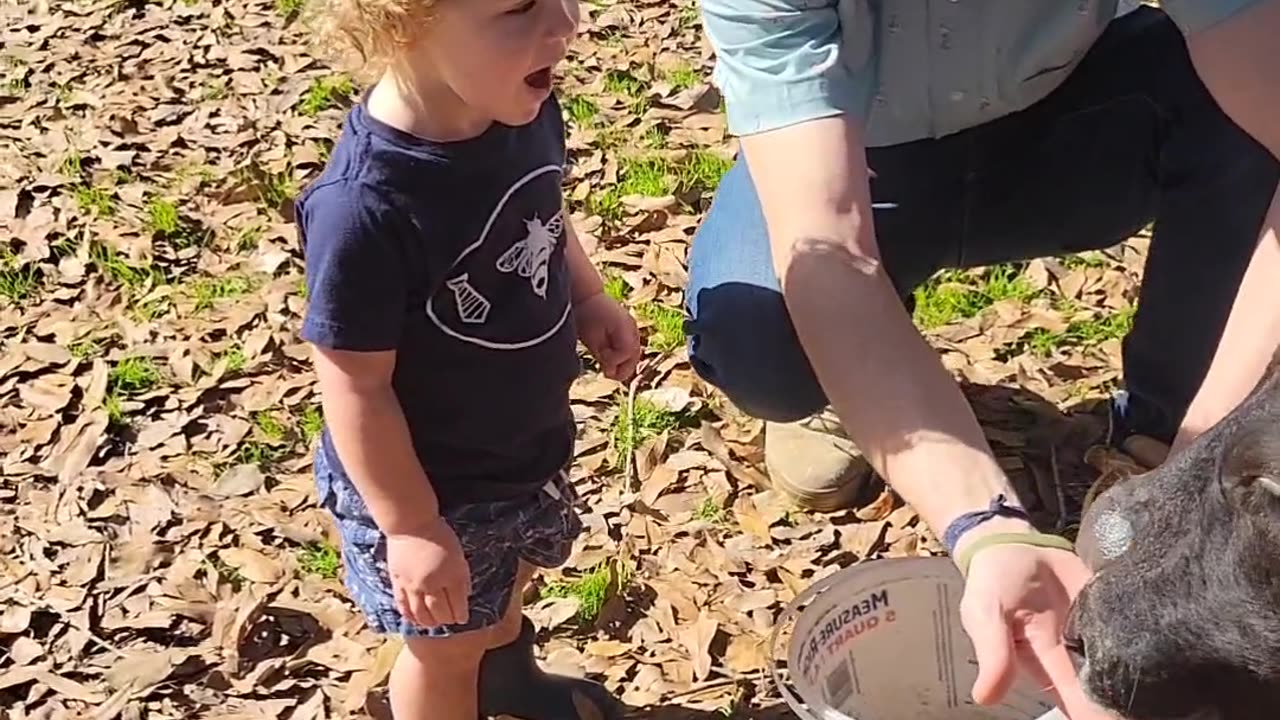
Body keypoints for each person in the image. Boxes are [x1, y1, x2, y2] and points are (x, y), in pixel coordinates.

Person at [690, 0, 1280, 717]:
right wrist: (987, 527)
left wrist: (1197, 456)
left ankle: (1155, 434)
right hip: (865, 157)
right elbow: (828, 248)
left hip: (1077, 118)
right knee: (759, 328)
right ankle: (860, 403)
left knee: (1250, 129)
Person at [294, 0, 641, 718]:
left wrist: (588, 296)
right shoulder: (364, 207)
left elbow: (542, 209)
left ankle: (505, 679)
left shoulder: (519, 105)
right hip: (430, 489)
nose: (565, 24)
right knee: (443, 650)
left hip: (519, 450)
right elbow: (355, 387)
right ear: (405, 24)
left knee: (502, 593)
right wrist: (413, 528)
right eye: (519, 7)